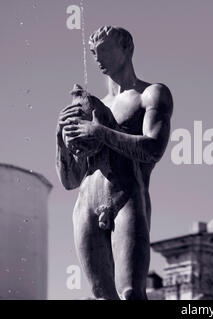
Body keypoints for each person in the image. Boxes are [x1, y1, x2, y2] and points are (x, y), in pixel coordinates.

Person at [56, 26, 173, 300]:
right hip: (85, 204)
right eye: (94, 52)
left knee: (130, 293)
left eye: (105, 49)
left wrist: (99, 132)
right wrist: (60, 137)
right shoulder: (92, 107)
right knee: (101, 295)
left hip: (127, 197)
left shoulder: (151, 94)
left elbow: (153, 149)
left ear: (127, 48)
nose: (98, 58)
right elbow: (70, 180)